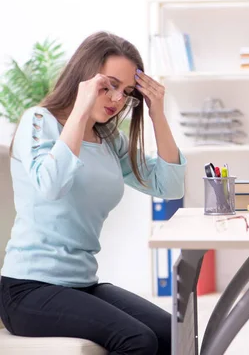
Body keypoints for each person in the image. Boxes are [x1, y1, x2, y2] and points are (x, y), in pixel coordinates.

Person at [0, 31, 186, 354]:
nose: (117, 99)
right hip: (27, 290)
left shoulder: (109, 141)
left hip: (81, 285)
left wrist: (157, 113)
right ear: (85, 78)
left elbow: (169, 186)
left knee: (173, 334)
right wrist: (80, 112)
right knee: (137, 341)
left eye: (127, 92)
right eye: (110, 85)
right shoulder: (39, 122)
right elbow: (52, 185)